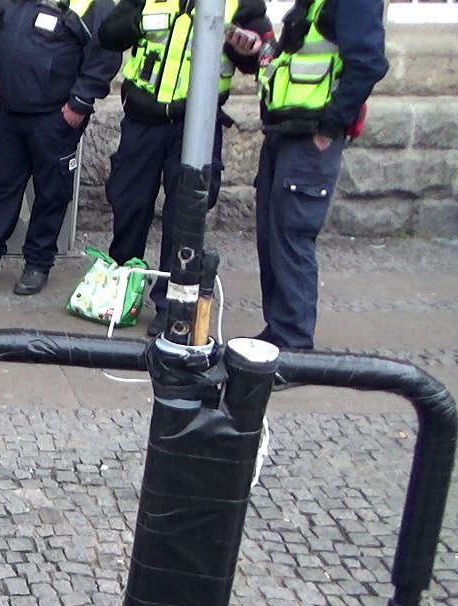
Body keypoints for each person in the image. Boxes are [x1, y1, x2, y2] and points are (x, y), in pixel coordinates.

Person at [99, 0, 271, 334]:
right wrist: (136, 21)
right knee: (128, 202)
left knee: (185, 214)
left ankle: (171, 302)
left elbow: (261, 52)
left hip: (196, 124)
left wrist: (246, 48)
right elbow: (109, 35)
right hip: (142, 118)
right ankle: (121, 290)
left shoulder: (241, 3)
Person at [0, 0, 120, 295]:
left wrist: (80, 100)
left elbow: (106, 50)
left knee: (51, 193)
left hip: (56, 115)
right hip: (10, 111)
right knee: (0, 187)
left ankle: (38, 264)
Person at [255, 0, 386, 351]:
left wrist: (329, 127)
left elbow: (369, 62)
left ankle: (294, 343)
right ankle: (278, 332)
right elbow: (291, 61)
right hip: (285, 131)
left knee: (293, 237)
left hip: (311, 138)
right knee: (273, 238)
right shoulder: (311, 4)